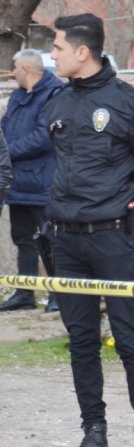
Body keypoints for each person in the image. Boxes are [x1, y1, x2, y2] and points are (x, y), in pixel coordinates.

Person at [45, 13, 134, 447]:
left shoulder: (131, 105)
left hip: (113, 240)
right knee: (81, 343)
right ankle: (94, 437)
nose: (52, 55)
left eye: (57, 47)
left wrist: (126, 203)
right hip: (66, 244)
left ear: (82, 52)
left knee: (129, 341)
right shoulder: (57, 103)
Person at [0, 49, 61, 312]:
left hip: (43, 182)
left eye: (14, 69)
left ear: (25, 69)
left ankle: (59, 294)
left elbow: (44, 136)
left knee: (49, 240)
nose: (12, 73)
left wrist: (6, 152)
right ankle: (25, 293)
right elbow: (3, 127)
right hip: (18, 184)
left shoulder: (54, 95)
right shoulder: (16, 97)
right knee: (23, 239)